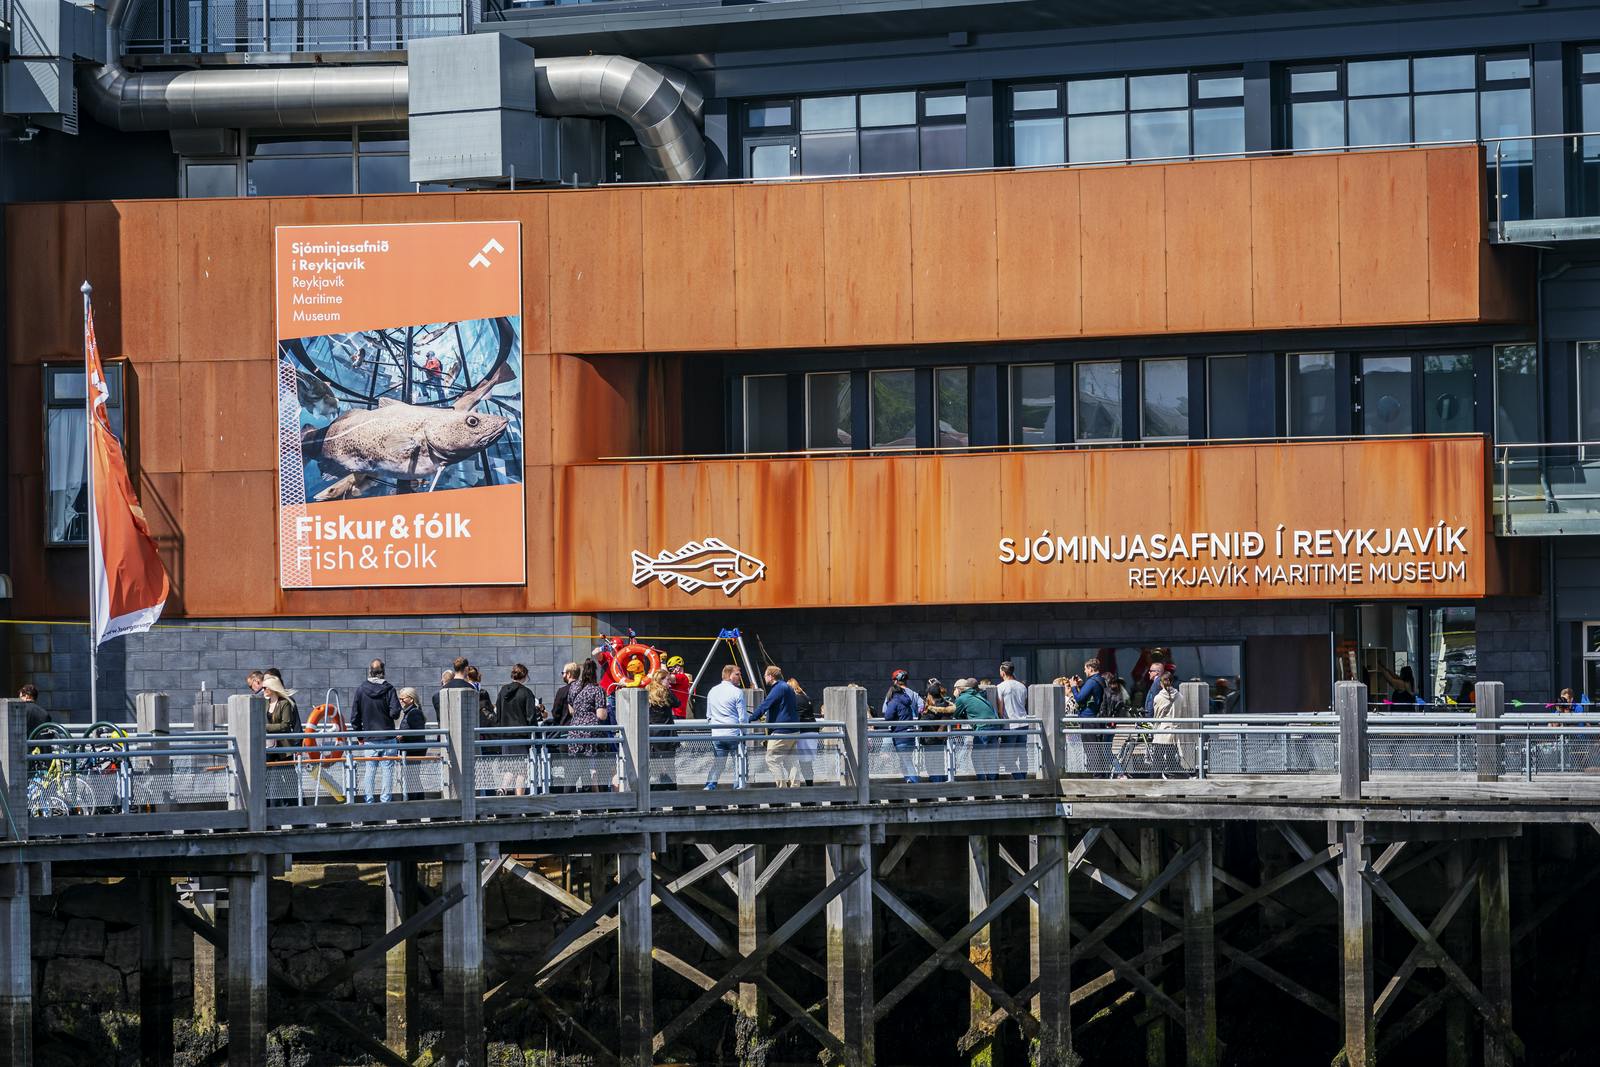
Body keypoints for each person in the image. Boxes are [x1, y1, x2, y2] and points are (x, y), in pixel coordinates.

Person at [351, 659, 401, 805]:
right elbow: (395, 712)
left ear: (369, 671)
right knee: (387, 771)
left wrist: (360, 736)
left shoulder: (361, 690)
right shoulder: (389, 689)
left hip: (369, 738)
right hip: (387, 736)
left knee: (370, 771)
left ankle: (369, 801)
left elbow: (354, 717)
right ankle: (385, 801)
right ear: (383, 671)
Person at [753, 665, 802, 787]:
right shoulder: (788, 687)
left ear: (770, 676)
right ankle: (795, 788)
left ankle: (782, 789)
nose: (764, 678)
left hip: (782, 732)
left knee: (771, 759)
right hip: (794, 730)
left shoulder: (778, 688)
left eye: (765, 676)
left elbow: (765, 705)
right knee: (791, 760)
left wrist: (750, 718)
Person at [565, 659, 611, 792]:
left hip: (575, 731)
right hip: (592, 732)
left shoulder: (574, 687)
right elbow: (601, 715)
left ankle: (566, 800)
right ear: (595, 673)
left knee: (575, 768)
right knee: (596, 768)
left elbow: (571, 710)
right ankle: (596, 801)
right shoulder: (598, 689)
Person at [496, 665, 539, 795]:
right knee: (522, 771)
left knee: (510, 768)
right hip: (521, 737)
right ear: (525, 676)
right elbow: (531, 717)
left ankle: (503, 788)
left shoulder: (503, 691)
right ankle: (519, 799)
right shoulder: (526, 693)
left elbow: (498, 712)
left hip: (505, 736)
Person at [704, 664, 748, 790]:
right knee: (738, 763)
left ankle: (710, 785)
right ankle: (739, 787)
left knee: (718, 763)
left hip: (717, 734)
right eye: (737, 674)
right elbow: (742, 718)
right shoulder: (737, 692)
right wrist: (744, 733)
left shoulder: (712, 691)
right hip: (734, 734)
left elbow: (709, 715)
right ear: (729, 676)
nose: (740, 677)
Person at [1071, 659, 1112, 777]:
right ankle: (1102, 774)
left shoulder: (1091, 682)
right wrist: (1081, 685)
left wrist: (1074, 687)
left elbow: (1079, 699)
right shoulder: (1100, 679)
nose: (1084, 671)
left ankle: (1097, 776)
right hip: (1097, 718)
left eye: (1085, 668)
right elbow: (1090, 696)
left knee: (1091, 748)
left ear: (1090, 668)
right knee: (1097, 748)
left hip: (1088, 719)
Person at [955, 678, 1002, 780]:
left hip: (983, 728)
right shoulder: (979, 695)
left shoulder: (962, 698)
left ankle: (981, 781)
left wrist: (957, 698)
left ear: (959, 689)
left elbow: (956, 715)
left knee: (976, 756)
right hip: (995, 726)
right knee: (991, 757)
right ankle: (992, 782)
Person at [883, 669, 921, 783]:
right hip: (911, 730)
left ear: (895, 681)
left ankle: (915, 783)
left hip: (899, 732)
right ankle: (909, 780)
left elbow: (886, 712)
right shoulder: (912, 694)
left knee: (905, 760)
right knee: (906, 760)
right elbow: (921, 707)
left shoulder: (892, 696)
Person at [645, 670, 680, 790]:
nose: (669, 683)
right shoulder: (666, 693)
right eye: (668, 680)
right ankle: (672, 794)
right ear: (661, 680)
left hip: (652, 735)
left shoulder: (647, 691)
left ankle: (654, 793)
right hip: (666, 735)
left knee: (655, 766)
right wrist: (669, 690)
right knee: (670, 766)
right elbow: (677, 703)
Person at [995, 661, 1029, 780]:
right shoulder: (1022, 686)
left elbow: (1000, 709)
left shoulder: (1000, 687)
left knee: (1006, 757)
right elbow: (1023, 704)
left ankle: (1020, 780)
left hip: (1009, 725)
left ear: (1003, 673)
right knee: (1022, 755)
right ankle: (1023, 778)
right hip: (1024, 723)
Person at [1149, 672, 1186, 778]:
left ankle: (1153, 784)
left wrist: (1154, 730)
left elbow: (1157, 717)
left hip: (1162, 732)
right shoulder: (1180, 697)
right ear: (1172, 681)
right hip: (1175, 733)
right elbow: (1182, 715)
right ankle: (1181, 780)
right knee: (1172, 761)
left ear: (1161, 683)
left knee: (1157, 760)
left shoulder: (1158, 698)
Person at [394, 687, 427, 801]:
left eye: (403, 699)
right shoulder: (410, 712)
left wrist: (403, 736)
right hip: (412, 749)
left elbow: (417, 733)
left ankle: (415, 803)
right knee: (413, 778)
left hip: (413, 750)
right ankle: (418, 803)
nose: (401, 701)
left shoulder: (414, 713)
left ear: (411, 699)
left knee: (411, 778)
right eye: (400, 699)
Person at [921, 678, 957, 783]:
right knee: (939, 763)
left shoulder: (932, 708)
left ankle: (936, 786)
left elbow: (925, 721)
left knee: (932, 765)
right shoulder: (945, 704)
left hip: (930, 739)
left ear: (930, 694)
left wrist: (922, 714)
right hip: (941, 738)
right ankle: (940, 782)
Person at [789, 678, 819, 786]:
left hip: (804, 732)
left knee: (802, 762)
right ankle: (809, 784)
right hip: (812, 731)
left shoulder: (795, 699)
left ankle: (806, 786)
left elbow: (795, 716)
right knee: (807, 762)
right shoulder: (806, 697)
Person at [260, 674, 301, 751]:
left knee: (284, 763)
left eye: (265, 688)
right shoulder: (265, 703)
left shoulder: (285, 703)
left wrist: (265, 727)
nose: (263, 690)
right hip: (269, 745)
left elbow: (285, 725)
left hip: (284, 746)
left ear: (272, 688)